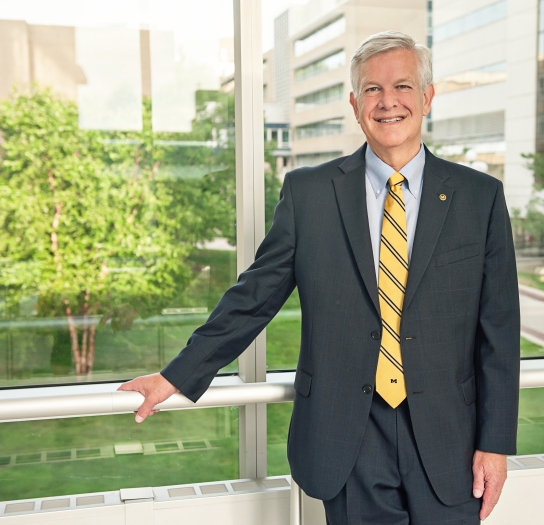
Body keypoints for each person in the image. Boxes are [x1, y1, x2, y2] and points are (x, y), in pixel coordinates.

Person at [119, 31, 520, 525]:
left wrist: (495, 444)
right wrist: (177, 374)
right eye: (372, 90)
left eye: (403, 87)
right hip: (349, 439)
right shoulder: (309, 195)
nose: (388, 101)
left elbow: (498, 332)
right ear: (355, 105)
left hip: (449, 438)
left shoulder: (479, 197)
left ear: (427, 97)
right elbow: (255, 296)